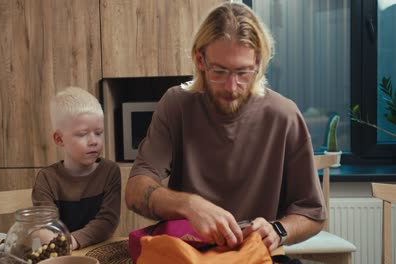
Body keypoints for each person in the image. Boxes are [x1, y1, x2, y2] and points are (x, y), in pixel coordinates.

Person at [125, 2, 326, 252]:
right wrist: (190, 205)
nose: (231, 87)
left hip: (252, 255)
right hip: (189, 253)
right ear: (200, 60)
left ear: (259, 63)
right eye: (219, 71)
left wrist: (278, 230)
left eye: (243, 72)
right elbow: (135, 190)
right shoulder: (176, 104)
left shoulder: (284, 115)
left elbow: (313, 214)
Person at [32, 86, 121, 250]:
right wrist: (57, 241)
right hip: (62, 254)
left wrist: (71, 241)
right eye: (82, 134)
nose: (93, 141)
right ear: (59, 139)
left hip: (100, 252)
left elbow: (107, 221)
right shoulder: (46, 178)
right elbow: (45, 228)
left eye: (99, 132)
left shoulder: (110, 171)